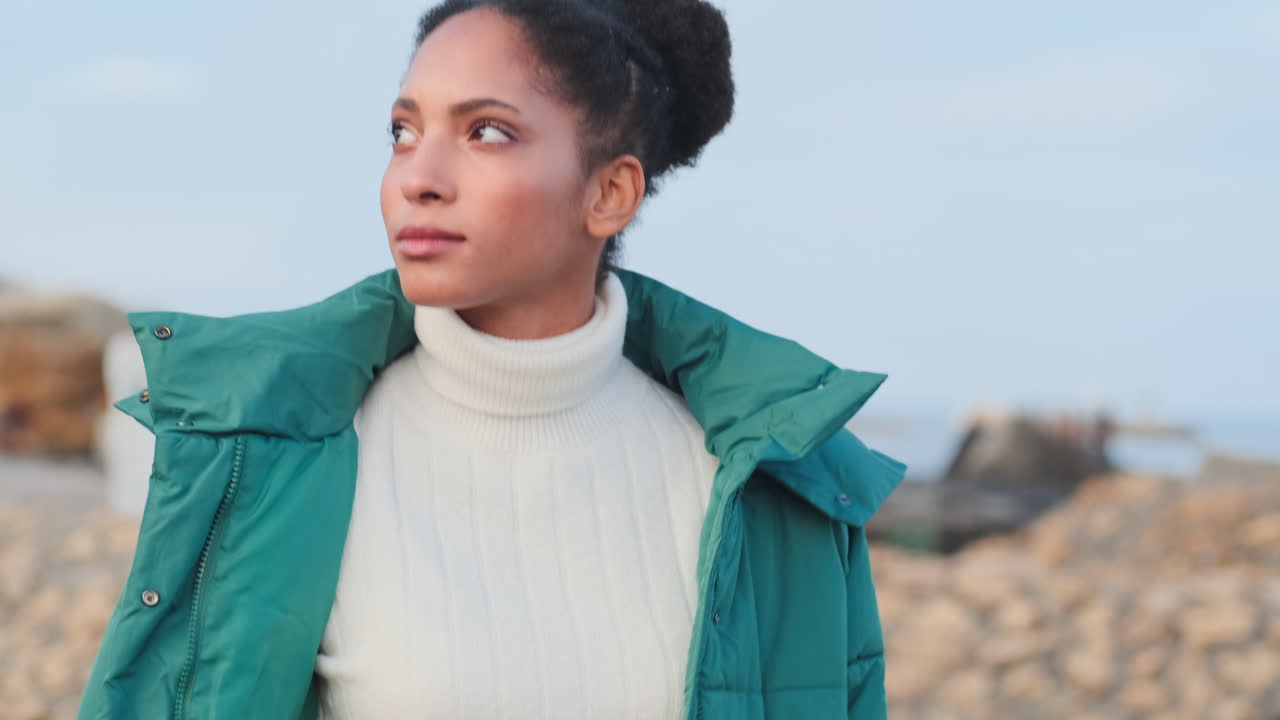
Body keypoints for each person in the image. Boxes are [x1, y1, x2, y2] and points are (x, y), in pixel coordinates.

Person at [77, 0, 905, 718]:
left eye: (486, 132)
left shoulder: (779, 478)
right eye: (404, 132)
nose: (418, 177)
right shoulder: (259, 456)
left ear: (609, 193)